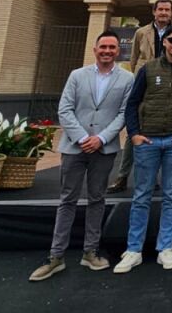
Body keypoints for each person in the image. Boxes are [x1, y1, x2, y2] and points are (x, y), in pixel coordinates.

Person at [30, 30, 134, 281]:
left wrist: (101, 138)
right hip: (74, 148)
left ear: (118, 51)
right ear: (95, 49)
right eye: (103, 47)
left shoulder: (127, 78)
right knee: (67, 199)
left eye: (112, 47)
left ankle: (90, 251)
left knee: (97, 199)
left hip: (104, 149)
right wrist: (82, 138)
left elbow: (124, 113)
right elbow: (65, 109)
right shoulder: (77, 75)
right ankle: (56, 256)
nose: (107, 51)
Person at [113, 24, 172, 273]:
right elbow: (132, 103)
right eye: (171, 39)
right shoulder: (148, 69)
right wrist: (134, 134)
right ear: (164, 42)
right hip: (148, 141)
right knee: (141, 196)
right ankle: (134, 249)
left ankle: (166, 247)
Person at [109, 0, 172, 193]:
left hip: (167, 85)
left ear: (171, 13)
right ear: (154, 11)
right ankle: (122, 176)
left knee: (159, 132)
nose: (163, 13)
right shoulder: (141, 32)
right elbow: (133, 59)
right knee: (135, 130)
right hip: (145, 82)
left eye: (167, 10)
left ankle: (153, 177)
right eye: (160, 9)